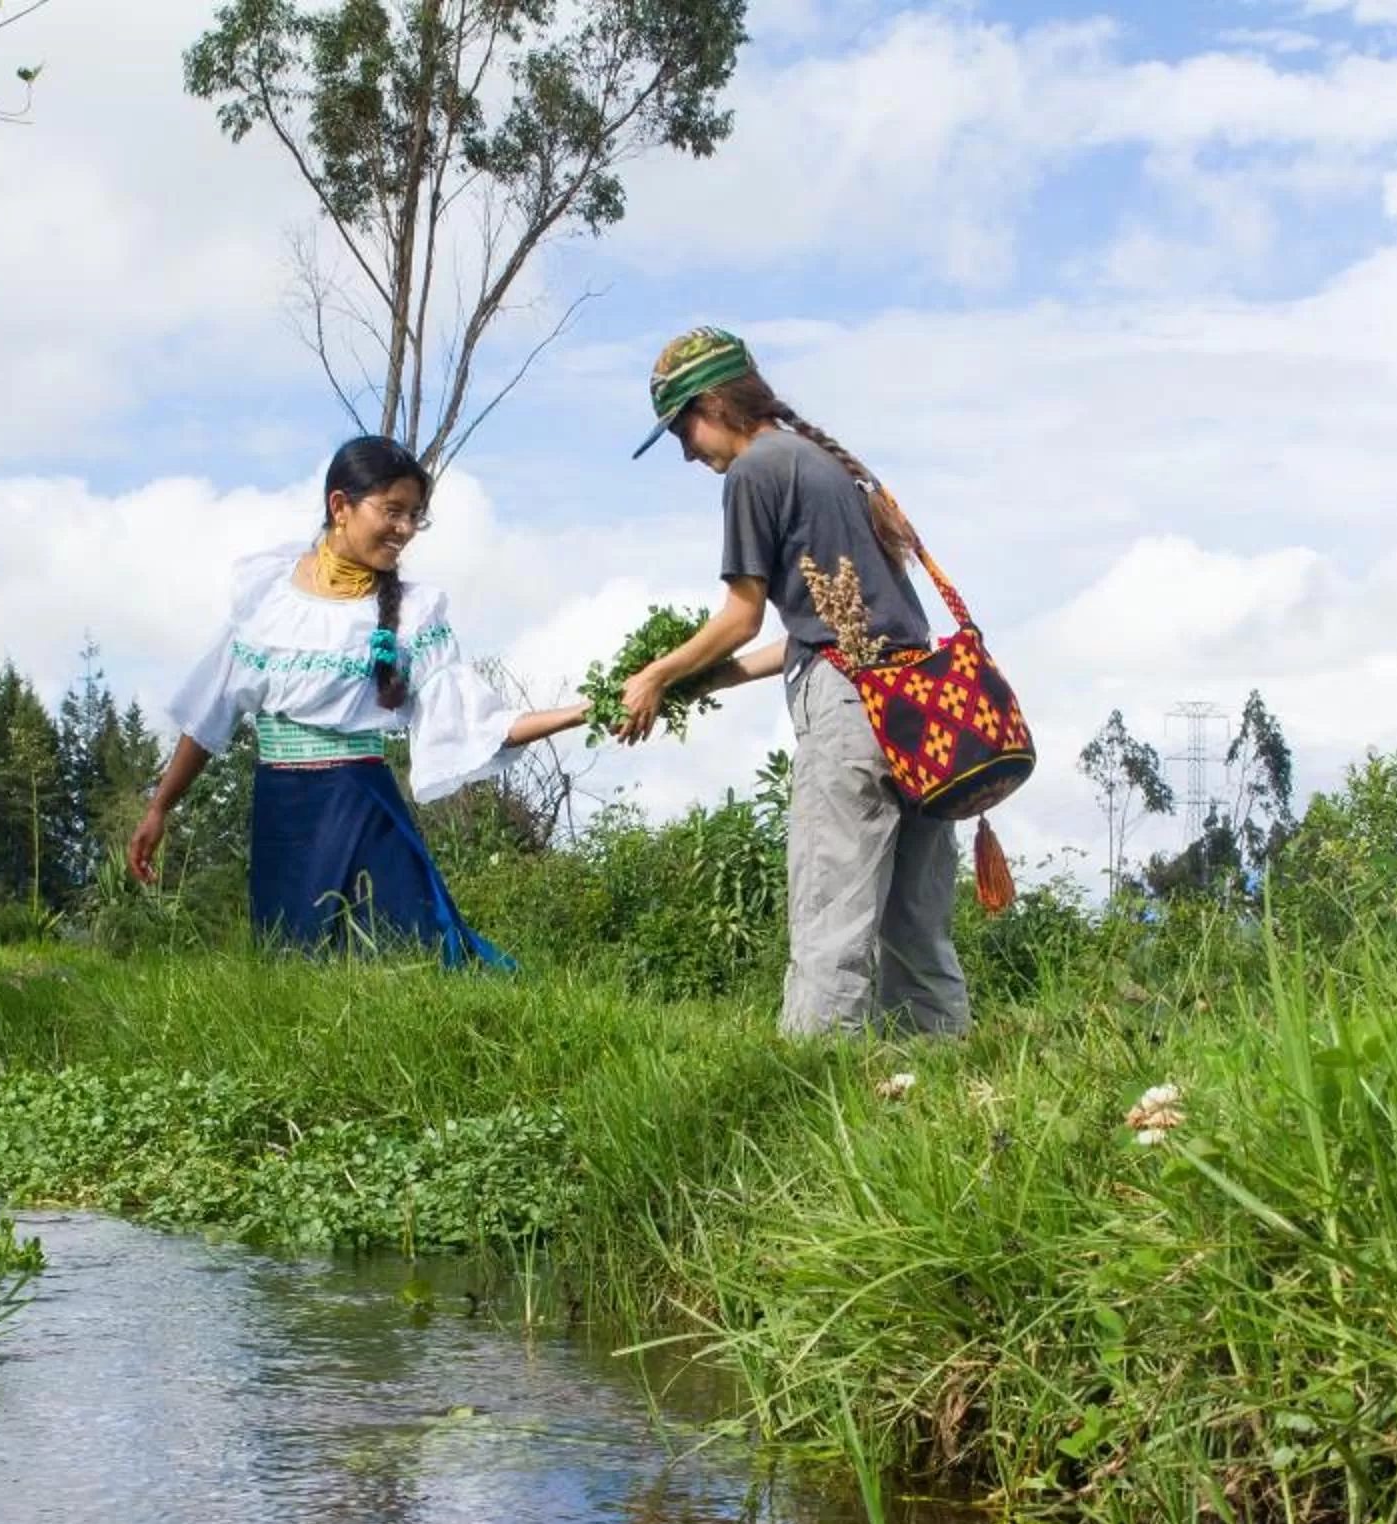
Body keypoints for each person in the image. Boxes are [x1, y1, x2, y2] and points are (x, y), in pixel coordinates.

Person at [613, 327, 970, 1038]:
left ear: (714, 404)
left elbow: (742, 617)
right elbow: (825, 629)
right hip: (921, 712)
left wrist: (656, 672)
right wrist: (699, 680)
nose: (688, 452)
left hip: (849, 715)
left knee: (830, 919)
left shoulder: (755, 470)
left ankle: (809, 1102)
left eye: (684, 428)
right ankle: (937, 1089)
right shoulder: (821, 464)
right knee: (914, 928)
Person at [125, 436, 587, 962]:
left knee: (413, 959)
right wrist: (160, 806)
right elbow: (211, 713)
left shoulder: (414, 615)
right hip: (283, 818)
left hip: (360, 810)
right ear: (339, 506)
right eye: (393, 511)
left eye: (415, 516)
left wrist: (583, 711)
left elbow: (478, 725)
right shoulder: (267, 596)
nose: (406, 530)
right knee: (292, 971)